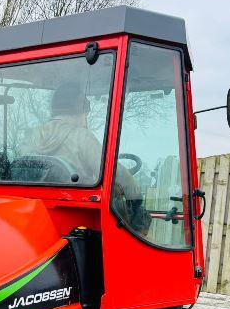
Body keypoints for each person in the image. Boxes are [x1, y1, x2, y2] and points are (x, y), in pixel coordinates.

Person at [19, 81, 150, 233]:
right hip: (81, 220)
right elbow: (112, 173)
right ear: (80, 111)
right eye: (85, 114)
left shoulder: (31, 138)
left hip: (39, 216)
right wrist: (136, 197)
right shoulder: (81, 136)